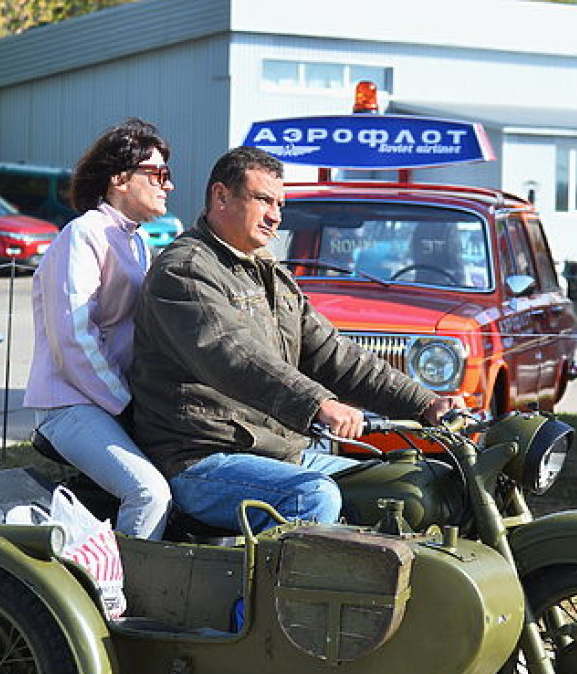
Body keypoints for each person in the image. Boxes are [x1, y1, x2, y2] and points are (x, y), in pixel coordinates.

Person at [130, 145, 465, 532]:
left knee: (408, 487)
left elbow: (333, 354)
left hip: (278, 453)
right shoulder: (185, 272)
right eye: (263, 200)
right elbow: (234, 355)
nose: (275, 216)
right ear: (221, 196)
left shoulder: (270, 274)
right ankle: (258, 596)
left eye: (280, 204)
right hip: (202, 458)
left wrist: (425, 403)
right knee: (312, 496)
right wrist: (319, 403)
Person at [23, 118, 174, 539]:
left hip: (112, 403)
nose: (168, 185)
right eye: (158, 173)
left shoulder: (136, 241)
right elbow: (74, 335)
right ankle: (116, 600)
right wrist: (127, 406)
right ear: (120, 178)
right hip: (71, 404)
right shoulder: (83, 234)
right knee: (149, 493)